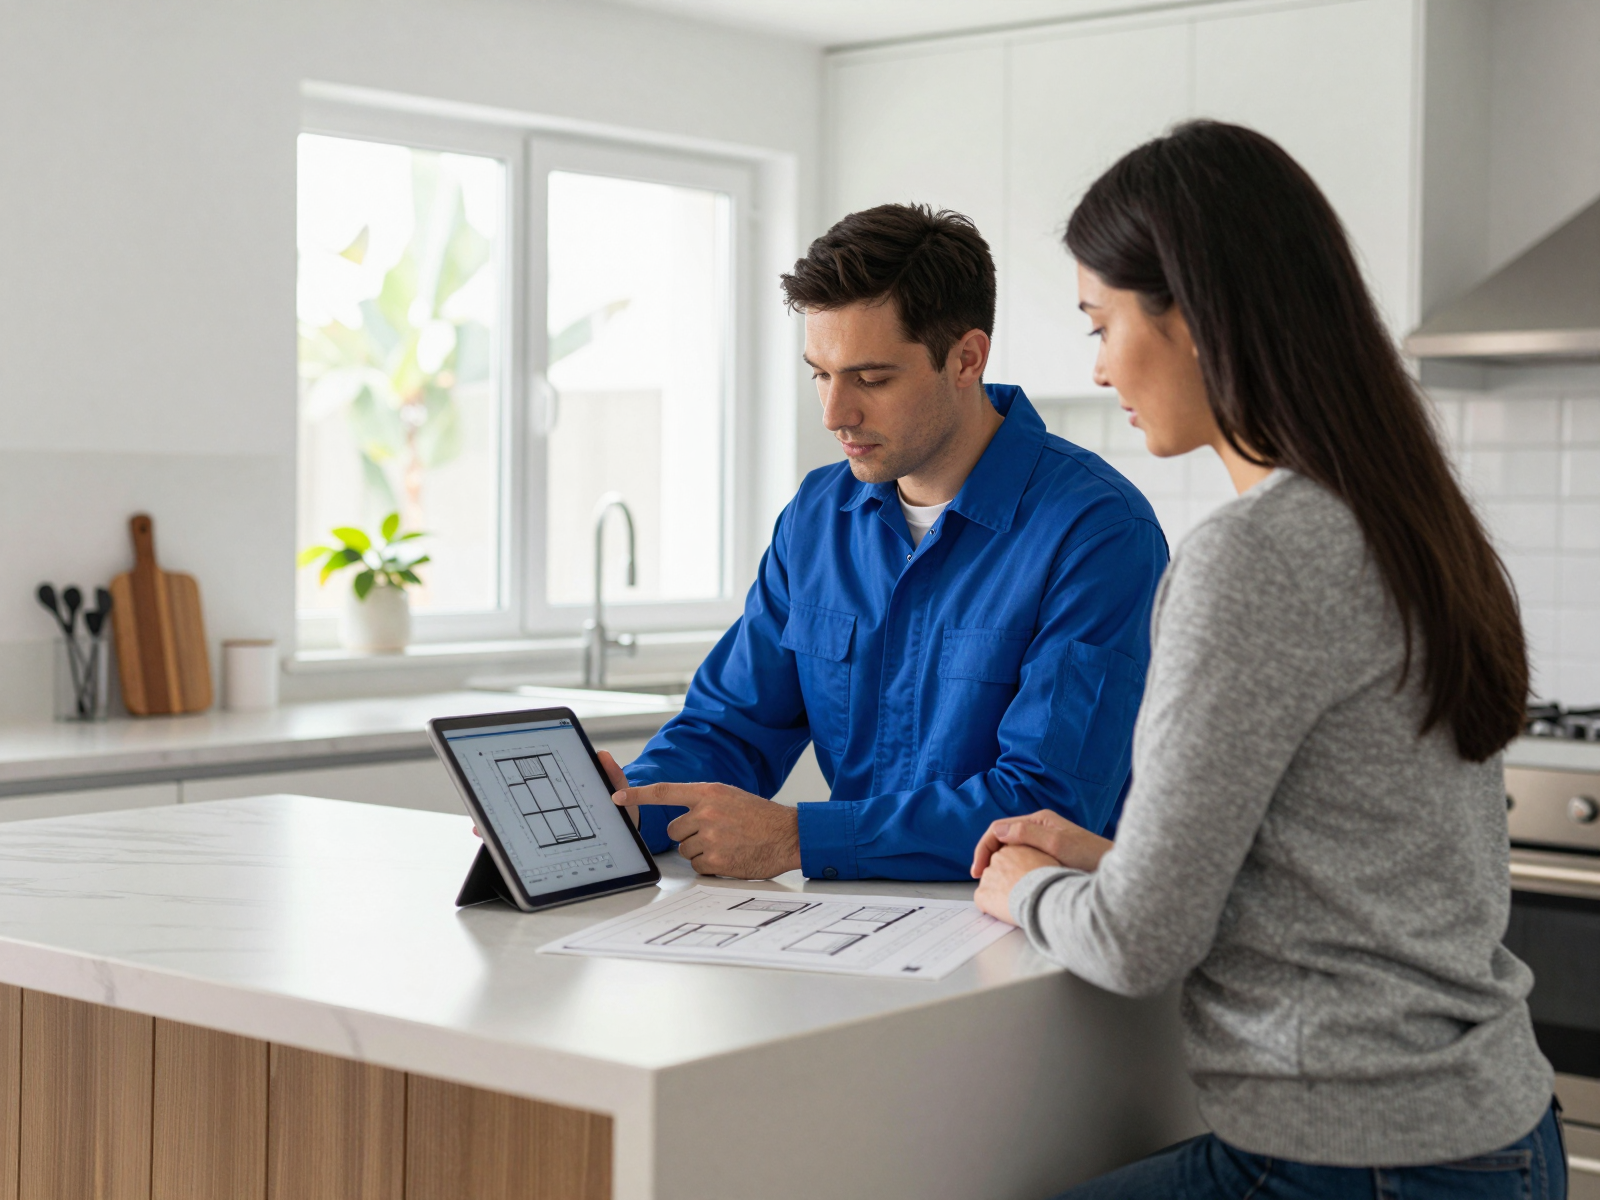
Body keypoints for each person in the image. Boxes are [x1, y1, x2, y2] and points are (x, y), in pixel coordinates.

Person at [970, 120, 1564, 1198]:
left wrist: (1024, 888)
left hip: (1357, 1161)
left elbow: (1137, 948)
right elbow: (1335, 876)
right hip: (1489, 1140)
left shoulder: (1254, 559)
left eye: (1101, 323)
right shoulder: (1403, 519)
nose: (1097, 365)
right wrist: (1106, 856)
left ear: (1192, 317)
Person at [600, 203, 1168, 882]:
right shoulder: (817, 517)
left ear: (966, 358)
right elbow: (728, 731)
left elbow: (1046, 806)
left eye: (871, 379)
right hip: (854, 931)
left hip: (1026, 937)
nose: (835, 414)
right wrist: (624, 807)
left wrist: (800, 839)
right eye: (820, 373)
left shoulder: (1097, 531)